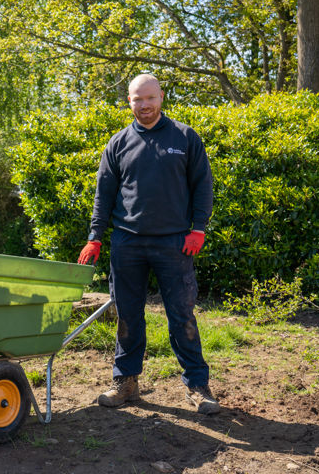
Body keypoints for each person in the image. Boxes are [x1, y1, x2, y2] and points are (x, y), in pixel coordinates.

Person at [77, 74, 219, 414]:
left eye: (150, 98)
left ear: (161, 97)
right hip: (128, 243)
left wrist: (198, 228)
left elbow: (203, 186)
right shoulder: (118, 143)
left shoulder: (185, 138)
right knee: (127, 314)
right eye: (137, 99)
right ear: (129, 101)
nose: (144, 105)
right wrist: (95, 237)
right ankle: (126, 382)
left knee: (181, 314)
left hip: (174, 243)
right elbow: (104, 195)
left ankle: (197, 386)